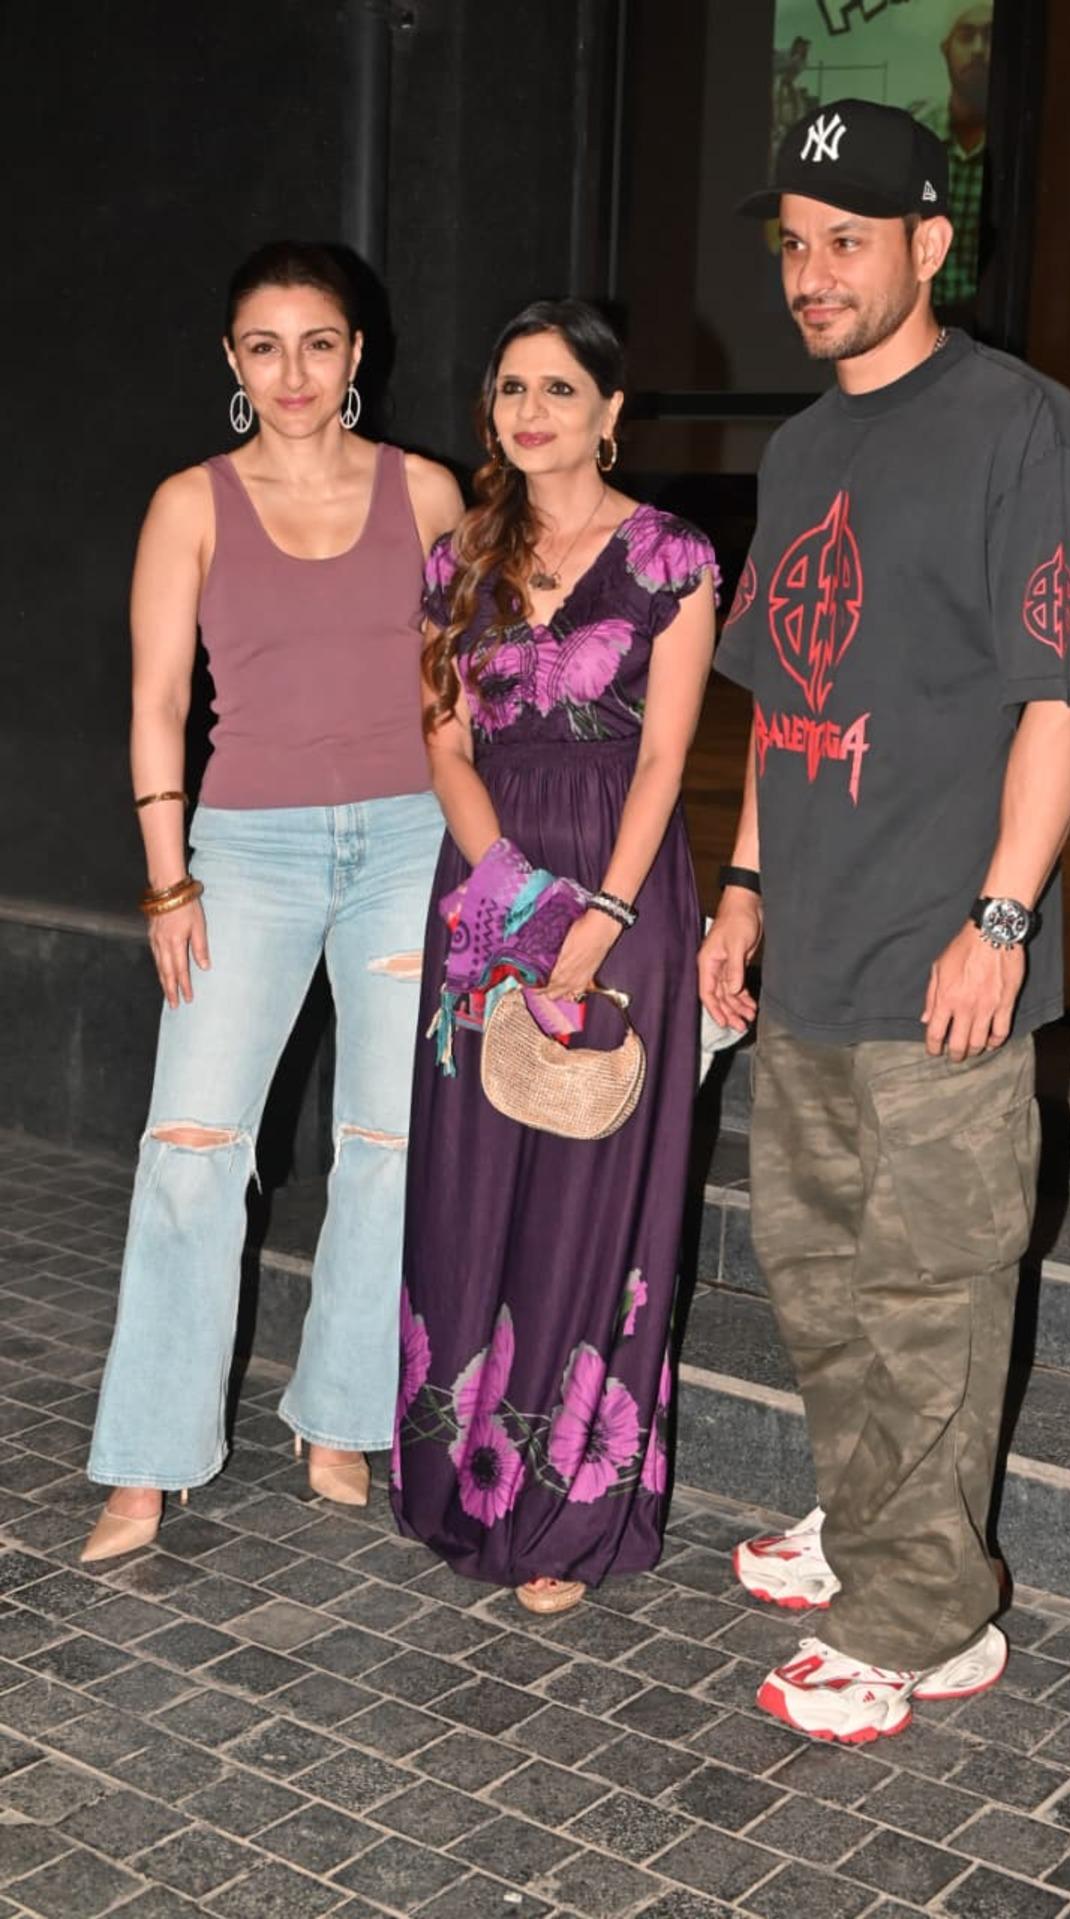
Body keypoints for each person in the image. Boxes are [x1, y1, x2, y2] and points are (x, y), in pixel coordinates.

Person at [699, 98, 1070, 1743]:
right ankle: (870, 1513)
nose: (813, 275)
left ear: (930, 245)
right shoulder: (802, 448)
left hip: (948, 957)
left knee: (931, 1288)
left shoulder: (1027, 431)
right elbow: (773, 691)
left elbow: (1064, 704)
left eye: (847, 243)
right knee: (818, 1272)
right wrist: (740, 887)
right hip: (811, 942)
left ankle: (929, 1614)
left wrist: (1001, 917)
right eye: (795, 246)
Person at [81, 241, 462, 1561]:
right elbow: (156, 706)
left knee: (390, 1145)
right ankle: (148, 1452)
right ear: (233, 364)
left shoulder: (428, 493)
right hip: (244, 848)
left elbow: (460, 697)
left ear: (359, 355)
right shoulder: (190, 501)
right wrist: (167, 874)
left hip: (412, 840)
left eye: (318, 343)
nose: (292, 372)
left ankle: (341, 1411)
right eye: (264, 345)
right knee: (191, 1151)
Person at [392, 299, 717, 1615]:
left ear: (610, 410)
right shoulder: (453, 556)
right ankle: (459, 1475)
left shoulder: (672, 558)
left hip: (624, 886)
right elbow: (445, 744)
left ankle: (566, 1511)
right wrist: (513, 901)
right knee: (475, 1170)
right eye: (513, 388)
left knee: (589, 1180)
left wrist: (599, 920)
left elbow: (666, 757)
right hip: (486, 881)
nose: (534, 412)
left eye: (562, 390)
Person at [908, 2, 993, 311]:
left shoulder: (1024, 149)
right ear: (946, 49)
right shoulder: (913, 138)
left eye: (990, 36)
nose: (978, 50)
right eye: (967, 36)